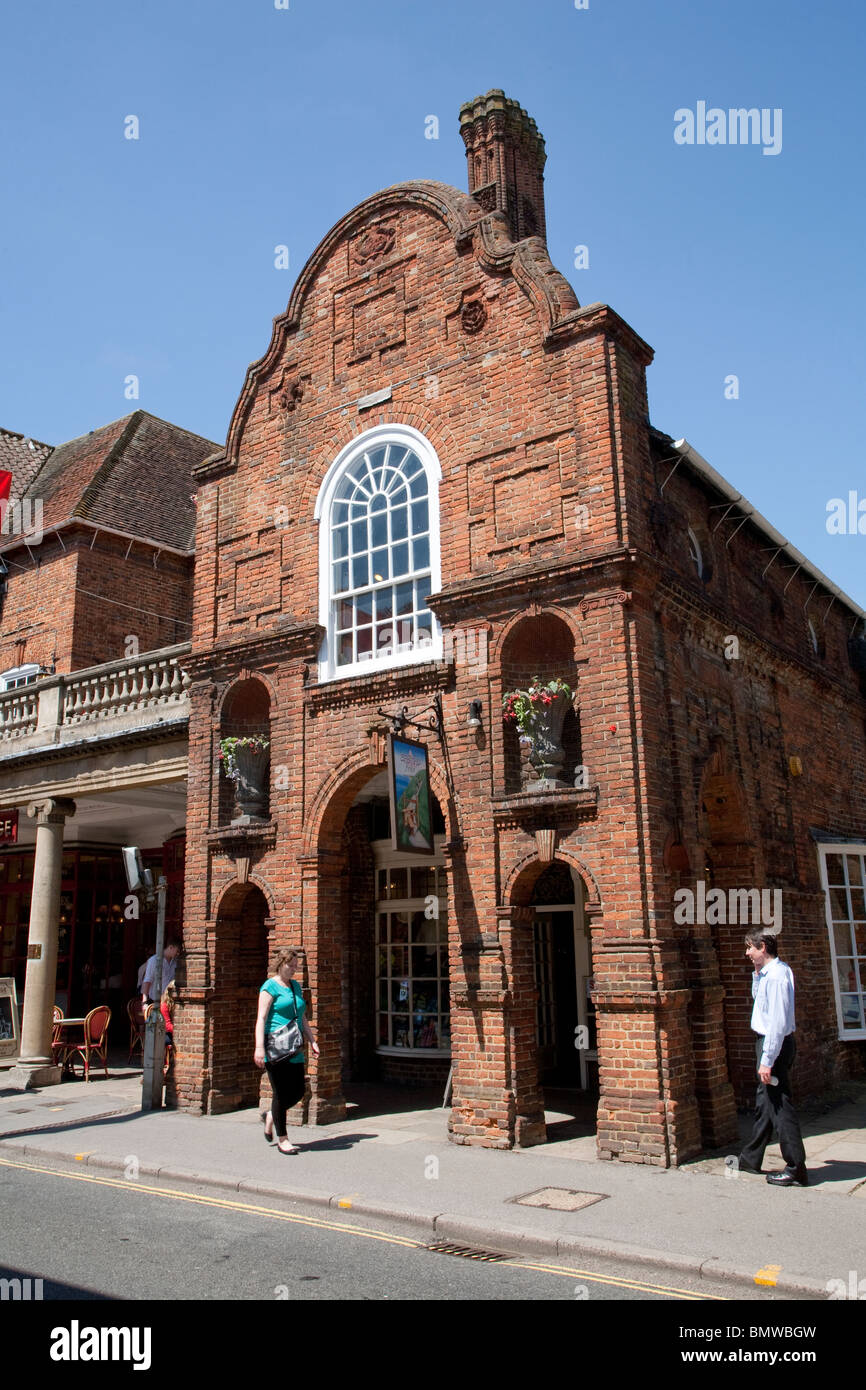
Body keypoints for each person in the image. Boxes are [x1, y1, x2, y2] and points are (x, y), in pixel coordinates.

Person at [737, 929, 808, 1187]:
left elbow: (777, 1023)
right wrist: (756, 975)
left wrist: (767, 1060)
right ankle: (751, 1157)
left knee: (780, 1104)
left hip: (773, 1045)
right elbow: (760, 1002)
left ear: (763, 946)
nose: (747, 952)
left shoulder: (777, 976)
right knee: (765, 1101)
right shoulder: (768, 973)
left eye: (750, 947)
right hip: (771, 1044)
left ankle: (796, 1167)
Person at [254, 950, 319, 1155]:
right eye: (290, 965)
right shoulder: (269, 987)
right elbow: (261, 1019)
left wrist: (313, 1040)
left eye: (296, 966)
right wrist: (259, 1047)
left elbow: (303, 1017)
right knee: (281, 1094)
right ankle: (283, 1139)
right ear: (280, 964)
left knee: (299, 1090)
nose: (293, 969)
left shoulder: (296, 987)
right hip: (274, 1046)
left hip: (293, 1045)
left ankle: (272, 1116)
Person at [141, 941, 180, 1005]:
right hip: (155, 1001)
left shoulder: (175, 962)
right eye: (177, 951)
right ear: (171, 947)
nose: (178, 954)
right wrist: (144, 1001)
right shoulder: (154, 960)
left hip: (170, 1001)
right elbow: (147, 981)